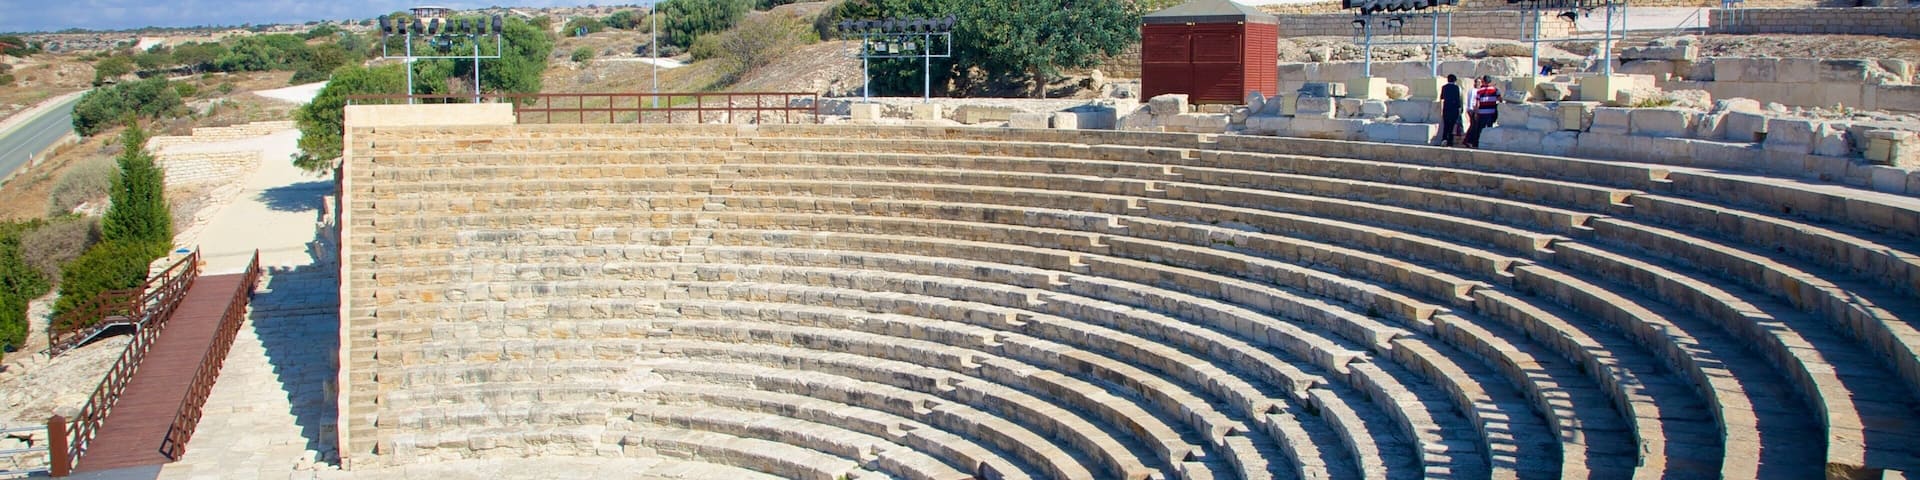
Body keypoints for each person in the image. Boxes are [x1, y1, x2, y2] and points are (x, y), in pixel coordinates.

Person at [1465, 76, 1500, 148]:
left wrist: (1476, 112)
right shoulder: (1495, 90)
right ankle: (1488, 143)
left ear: (1483, 81)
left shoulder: (1479, 91)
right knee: (1489, 128)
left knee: (1480, 128)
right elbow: (1500, 99)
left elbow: (1477, 103)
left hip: (1482, 112)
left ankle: (1477, 143)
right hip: (1491, 112)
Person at [1439, 74, 1464, 147]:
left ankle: (1444, 139)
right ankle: (1450, 141)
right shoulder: (1456, 88)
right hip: (1454, 109)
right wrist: (1460, 108)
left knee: (1446, 125)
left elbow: (1442, 97)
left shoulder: (1444, 87)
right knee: (1452, 126)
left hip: (1446, 108)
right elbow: (1458, 99)